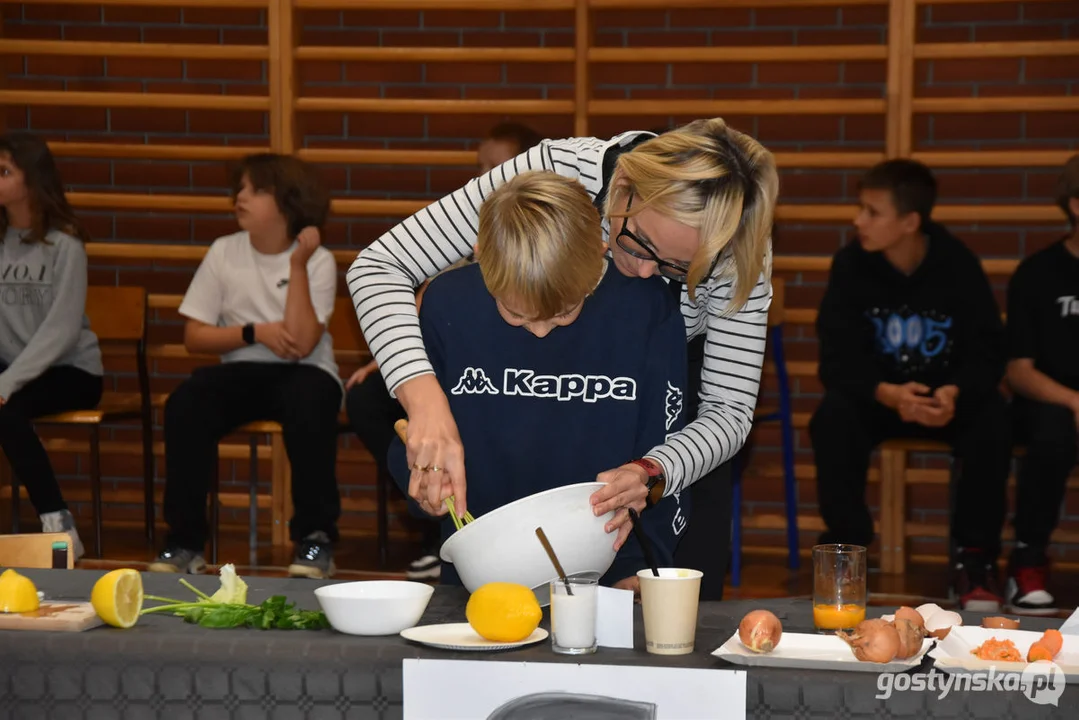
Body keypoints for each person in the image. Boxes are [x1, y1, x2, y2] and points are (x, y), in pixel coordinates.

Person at [347, 118, 778, 594]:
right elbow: (379, 266)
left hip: (668, 400)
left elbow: (728, 411)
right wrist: (426, 403)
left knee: (678, 614)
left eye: (678, 268)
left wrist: (655, 472)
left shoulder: (738, 248)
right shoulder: (556, 172)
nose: (642, 271)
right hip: (551, 393)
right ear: (624, 188)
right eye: (635, 241)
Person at [387, 171, 690, 589]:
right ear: (481, 258)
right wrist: (422, 483)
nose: (542, 332)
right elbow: (414, 438)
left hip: (611, 567)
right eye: (516, 315)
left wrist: (643, 567)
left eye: (565, 312)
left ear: (600, 253)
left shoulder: (648, 309)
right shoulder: (445, 305)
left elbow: (664, 454)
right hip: (481, 571)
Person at [810, 159, 1011, 611]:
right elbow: (836, 357)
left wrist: (955, 392)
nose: (857, 221)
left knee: (993, 418)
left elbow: (989, 350)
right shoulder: (851, 265)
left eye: (872, 212)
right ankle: (847, 552)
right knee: (834, 418)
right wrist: (885, 393)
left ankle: (975, 559)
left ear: (909, 222)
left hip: (944, 400)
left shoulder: (957, 264)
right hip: (880, 398)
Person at [345, 121, 542, 580]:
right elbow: (422, 305)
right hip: (455, 365)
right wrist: (389, 359)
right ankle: (435, 513)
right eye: (481, 168)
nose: (485, 179)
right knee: (370, 397)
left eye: (499, 167)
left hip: (502, 374)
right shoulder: (463, 241)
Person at [150, 153, 342, 579]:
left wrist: (296, 266)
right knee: (186, 403)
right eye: (239, 188)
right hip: (241, 369)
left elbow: (302, 342)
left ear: (288, 202)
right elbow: (194, 336)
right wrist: (254, 332)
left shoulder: (317, 259)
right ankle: (184, 541)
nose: (240, 197)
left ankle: (315, 538)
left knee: (311, 402)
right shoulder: (223, 251)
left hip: (306, 371)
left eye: (255, 190)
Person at [0, 131, 103, 560]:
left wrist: (7, 382)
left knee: (9, 412)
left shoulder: (66, 243)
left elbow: (60, 331)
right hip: (14, 366)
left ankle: (58, 523)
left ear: (31, 180)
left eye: (4, 171)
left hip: (70, 369)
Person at [1003, 153, 1079, 615]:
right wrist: (1074, 401)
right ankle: (1027, 560)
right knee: (1052, 430)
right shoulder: (1038, 273)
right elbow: (1018, 369)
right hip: (1051, 401)